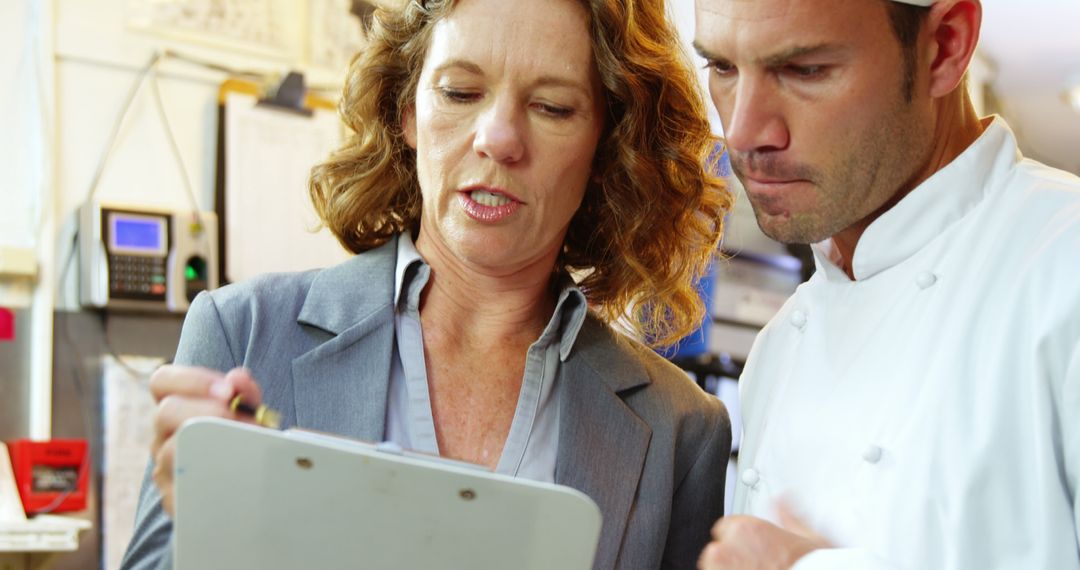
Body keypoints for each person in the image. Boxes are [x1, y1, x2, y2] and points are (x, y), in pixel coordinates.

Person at [121, 0, 734, 569]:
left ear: (608, 145)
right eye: (460, 92)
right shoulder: (243, 334)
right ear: (407, 111)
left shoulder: (681, 430)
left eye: (552, 106)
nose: (497, 138)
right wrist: (213, 530)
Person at [692, 0, 1080, 568]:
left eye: (805, 70)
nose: (745, 132)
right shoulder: (777, 348)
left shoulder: (1063, 259)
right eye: (723, 67)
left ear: (944, 46)